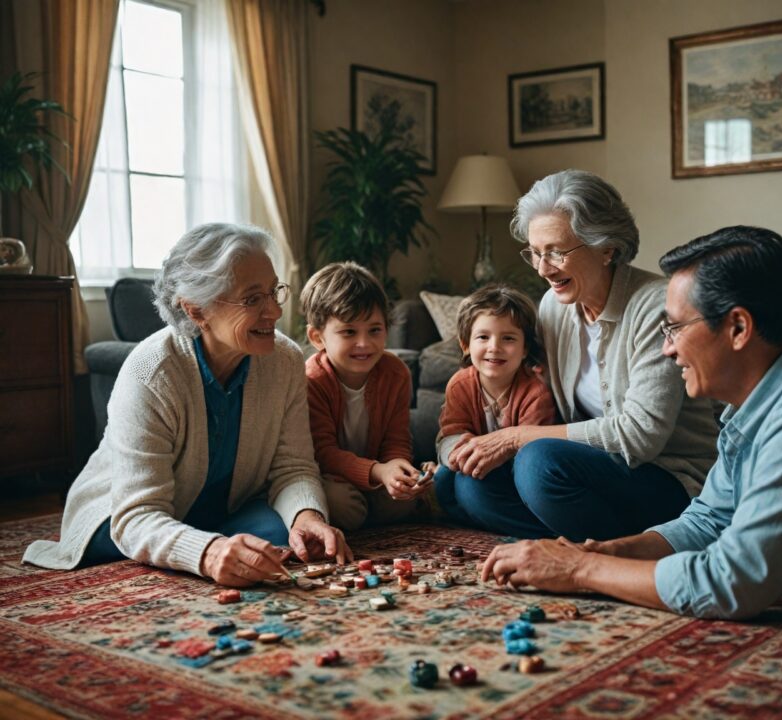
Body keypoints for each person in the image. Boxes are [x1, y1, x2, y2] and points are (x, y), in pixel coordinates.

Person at [482, 225, 782, 619]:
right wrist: (605, 554)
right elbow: (709, 520)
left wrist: (577, 571)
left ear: (738, 327)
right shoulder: (765, 396)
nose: (667, 349)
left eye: (676, 327)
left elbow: (729, 585)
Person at [23, 223, 351, 587]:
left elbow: (293, 466)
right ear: (196, 310)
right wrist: (209, 553)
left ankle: (209, 540)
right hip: (123, 514)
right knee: (126, 541)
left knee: (282, 536)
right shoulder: (151, 373)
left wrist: (307, 516)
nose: (274, 311)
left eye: (274, 292)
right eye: (252, 298)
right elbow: (137, 515)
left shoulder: (285, 359)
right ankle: (201, 543)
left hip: (221, 511)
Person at [449, 169, 719, 540]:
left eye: (556, 252)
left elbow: (640, 437)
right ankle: (589, 539)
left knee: (537, 462)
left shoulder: (657, 306)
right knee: (467, 483)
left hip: (669, 477)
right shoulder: (553, 307)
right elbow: (521, 379)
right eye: (535, 253)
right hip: (594, 475)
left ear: (606, 248)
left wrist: (514, 437)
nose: (543, 269)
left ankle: (627, 545)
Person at [299, 262, 430, 531]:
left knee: (404, 496)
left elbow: (397, 438)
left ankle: (373, 513)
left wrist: (397, 467)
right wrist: (378, 472)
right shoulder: (312, 380)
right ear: (317, 337)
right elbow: (323, 453)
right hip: (330, 476)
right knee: (339, 504)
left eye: (374, 330)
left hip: (376, 474)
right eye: (349, 332)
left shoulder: (396, 373)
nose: (364, 343)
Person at [434, 284, 557, 530]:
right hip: (476, 470)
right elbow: (448, 435)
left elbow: (530, 454)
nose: (494, 347)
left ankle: (542, 533)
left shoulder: (535, 391)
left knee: (469, 488)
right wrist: (461, 451)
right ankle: (484, 519)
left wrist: (487, 458)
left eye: (508, 338)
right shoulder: (460, 384)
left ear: (525, 350)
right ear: (465, 345)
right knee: (444, 480)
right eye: (483, 337)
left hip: (514, 479)